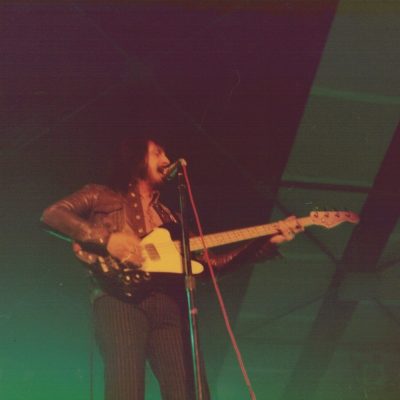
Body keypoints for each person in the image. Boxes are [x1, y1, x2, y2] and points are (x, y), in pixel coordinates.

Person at [41, 134, 302, 400]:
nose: (167, 160)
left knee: (188, 389)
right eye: (158, 153)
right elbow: (52, 215)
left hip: (168, 304)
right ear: (136, 157)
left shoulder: (172, 219)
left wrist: (266, 243)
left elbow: (210, 264)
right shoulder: (101, 194)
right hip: (118, 297)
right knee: (126, 388)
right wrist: (106, 240)